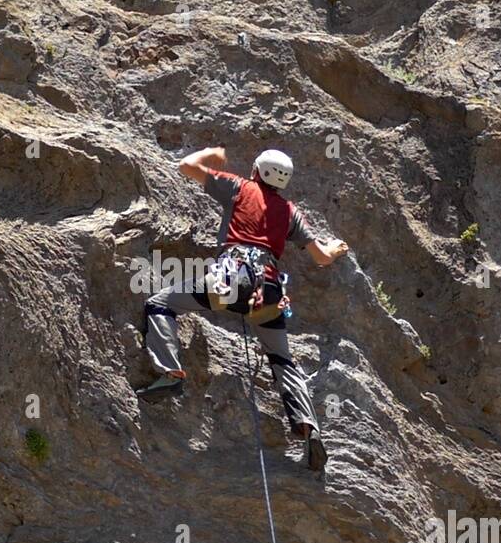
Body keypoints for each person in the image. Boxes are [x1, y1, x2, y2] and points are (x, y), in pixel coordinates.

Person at [136, 147, 349, 470]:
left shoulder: (239, 187)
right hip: (268, 289)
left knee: (161, 304)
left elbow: (186, 166)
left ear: (256, 170)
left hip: (230, 277)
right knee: (282, 360)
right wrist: (334, 249)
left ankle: (170, 370)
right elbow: (320, 257)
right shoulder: (290, 212)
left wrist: (214, 153)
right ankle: (308, 428)